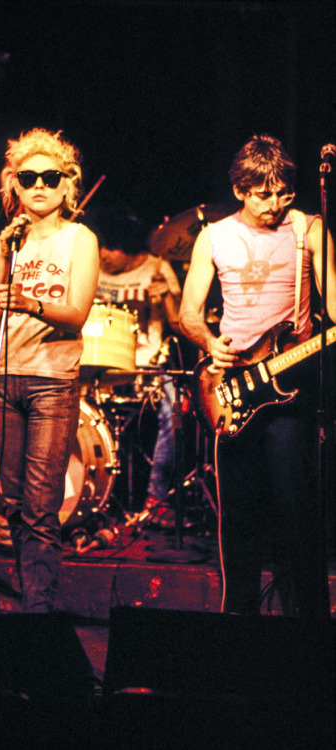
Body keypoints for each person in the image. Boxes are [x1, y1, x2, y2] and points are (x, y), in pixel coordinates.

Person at [179, 133, 336, 616]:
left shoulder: (308, 230)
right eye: (263, 193)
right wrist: (210, 344)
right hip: (231, 388)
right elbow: (188, 312)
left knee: (296, 520)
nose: (274, 204)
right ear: (241, 189)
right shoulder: (214, 236)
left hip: (292, 389)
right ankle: (237, 633)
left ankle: (307, 635)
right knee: (238, 524)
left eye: (283, 193)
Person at [0, 128, 99, 613]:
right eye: (29, 178)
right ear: (16, 187)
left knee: (41, 507)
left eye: (51, 177)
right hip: (2, 379)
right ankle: (28, 605)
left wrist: (28, 301)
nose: (40, 186)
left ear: (68, 185)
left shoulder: (79, 239)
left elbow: (76, 313)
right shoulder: (3, 244)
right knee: (10, 503)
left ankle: (38, 619)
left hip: (51, 382)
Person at [90, 207, 182, 521]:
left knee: (176, 408)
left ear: (131, 250)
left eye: (112, 248)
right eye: (101, 247)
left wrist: (169, 296)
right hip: (96, 365)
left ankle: (157, 500)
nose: (104, 254)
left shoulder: (157, 267)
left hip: (147, 365)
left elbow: (179, 322)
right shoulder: (91, 268)